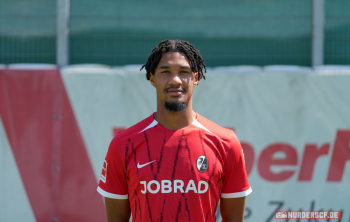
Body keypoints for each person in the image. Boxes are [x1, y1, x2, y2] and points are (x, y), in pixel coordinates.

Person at [97, 39, 252, 222]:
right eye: (165, 72)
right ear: (152, 78)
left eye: (184, 72)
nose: (175, 80)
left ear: (195, 79)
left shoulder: (226, 143)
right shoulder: (123, 144)